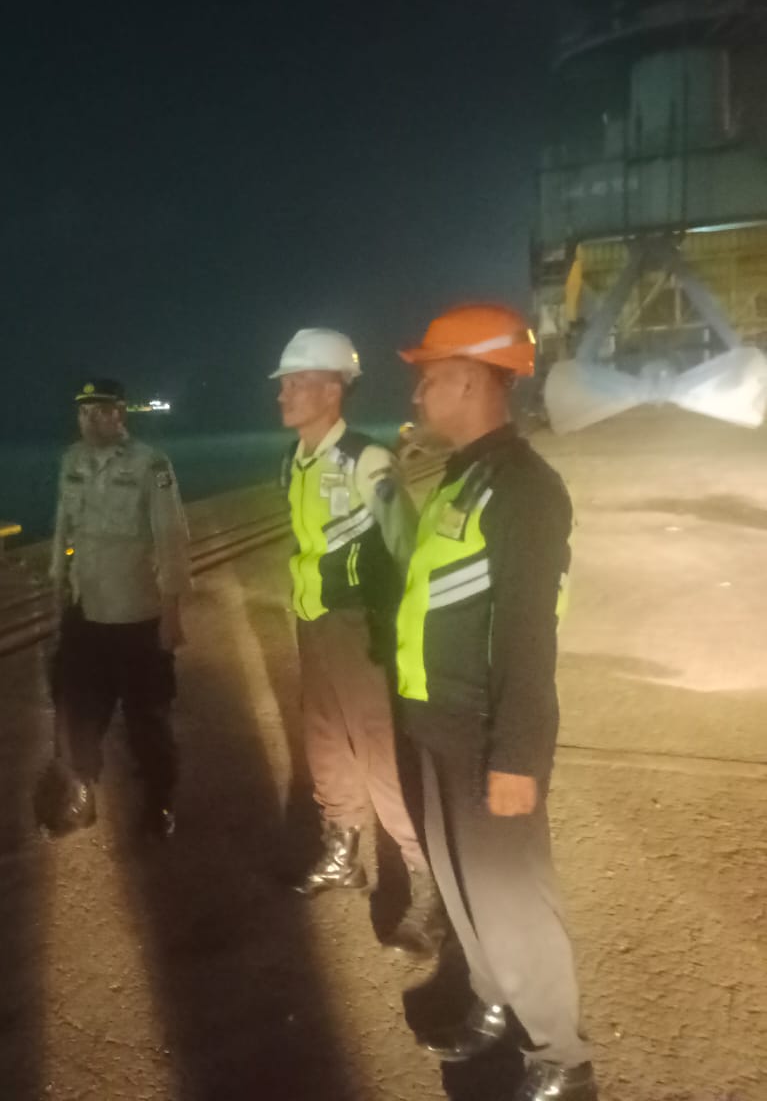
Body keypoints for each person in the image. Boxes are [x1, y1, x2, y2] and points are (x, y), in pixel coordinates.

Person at [396, 303, 596, 1101]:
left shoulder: (523, 489)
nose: (417, 396)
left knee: (512, 899)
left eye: (429, 379)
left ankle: (560, 1056)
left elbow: (525, 634)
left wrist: (517, 756)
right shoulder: (464, 476)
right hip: (436, 719)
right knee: (461, 886)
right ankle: (491, 1000)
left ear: (473, 382)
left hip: (484, 730)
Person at [271, 328, 443, 959]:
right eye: (285, 383)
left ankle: (428, 883)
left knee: (382, 754)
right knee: (324, 744)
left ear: (333, 388)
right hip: (314, 622)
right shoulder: (295, 460)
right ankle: (342, 851)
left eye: (297, 382)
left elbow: (410, 549)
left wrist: (409, 637)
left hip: (363, 627)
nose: (284, 394)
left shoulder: (367, 461)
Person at [45, 378, 192, 839]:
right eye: (83, 412)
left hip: (136, 612)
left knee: (147, 717)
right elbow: (63, 528)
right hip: (85, 609)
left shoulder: (151, 464)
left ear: (119, 414)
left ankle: (159, 802)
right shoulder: (71, 461)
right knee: (76, 710)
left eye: (100, 411)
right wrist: (57, 587)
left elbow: (171, 538)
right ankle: (81, 790)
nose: (89, 420)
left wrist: (172, 612)